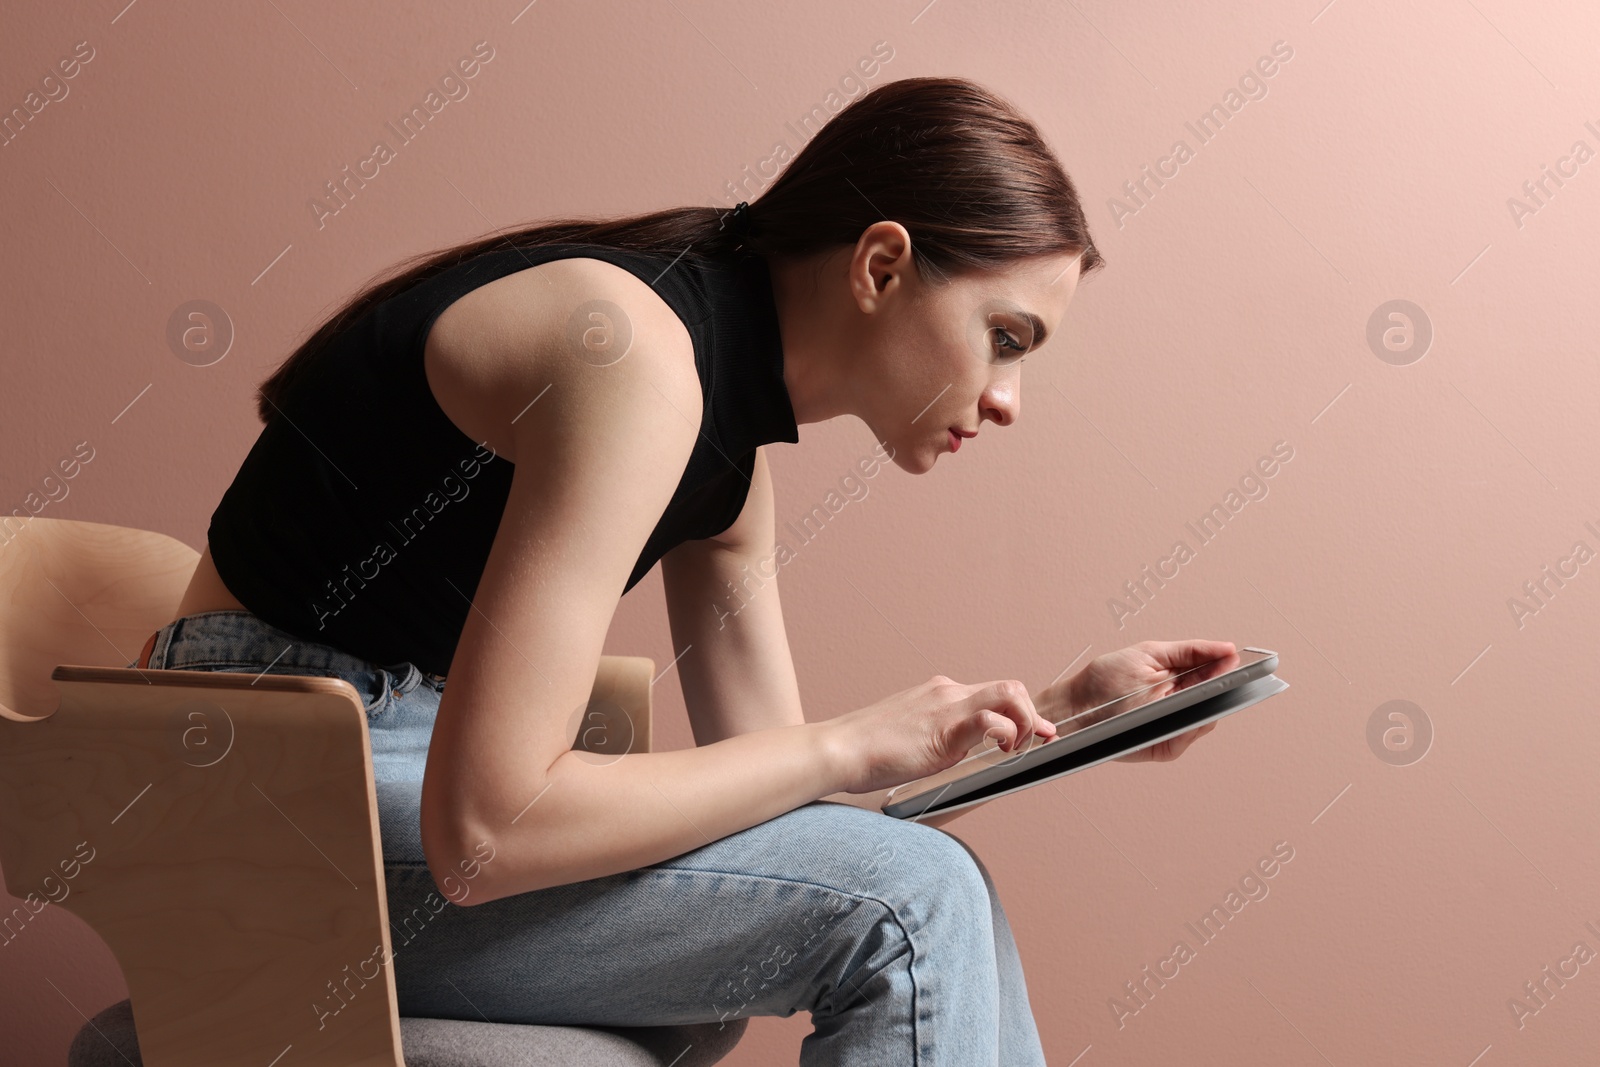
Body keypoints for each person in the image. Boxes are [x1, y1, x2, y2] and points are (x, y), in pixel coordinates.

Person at [134, 75, 1223, 1065]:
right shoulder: (635, 365)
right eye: (1006, 336)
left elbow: (796, 804)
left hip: (381, 767)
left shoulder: (728, 458)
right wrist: (836, 743)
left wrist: (1068, 713)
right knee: (913, 903)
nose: (1005, 399)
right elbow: (490, 830)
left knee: (923, 898)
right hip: (259, 785)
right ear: (881, 265)